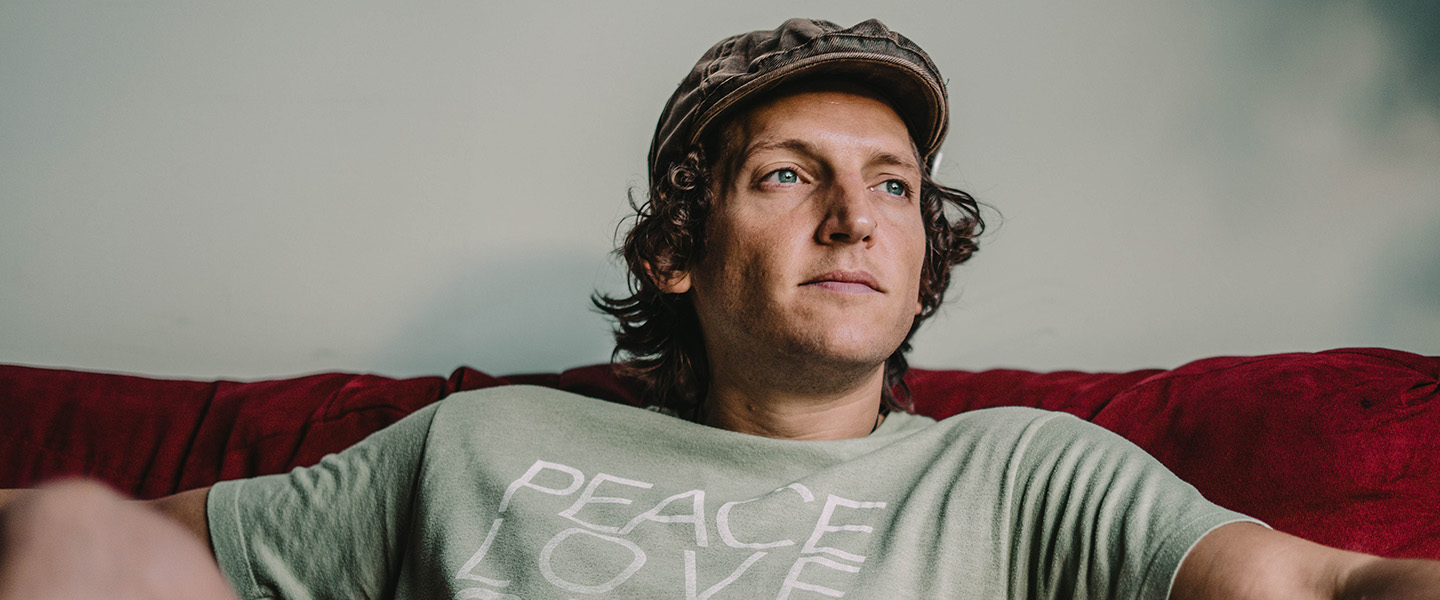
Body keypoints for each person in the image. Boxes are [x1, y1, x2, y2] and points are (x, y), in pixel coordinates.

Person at [2, 17, 1439, 600]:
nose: (853, 215)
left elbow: (1320, 584)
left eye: (892, 187)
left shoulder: (1019, 469)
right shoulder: (474, 446)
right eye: (787, 174)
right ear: (673, 254)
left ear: (923, 259)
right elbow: (93, 546)